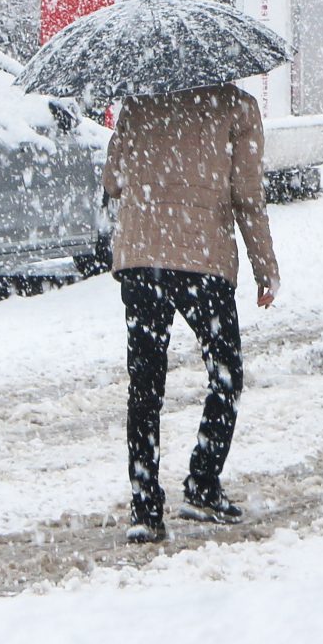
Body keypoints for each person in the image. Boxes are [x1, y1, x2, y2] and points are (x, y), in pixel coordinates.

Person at [101, 81, 279, 545]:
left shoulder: (139, 102)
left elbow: (112, 181)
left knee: (145, 387)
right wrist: (265, 268)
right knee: (225, 374)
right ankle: (203, 482)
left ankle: (145, 508)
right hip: (203, 261)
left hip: (142, 261)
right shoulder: (237, 106)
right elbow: (247, 196)